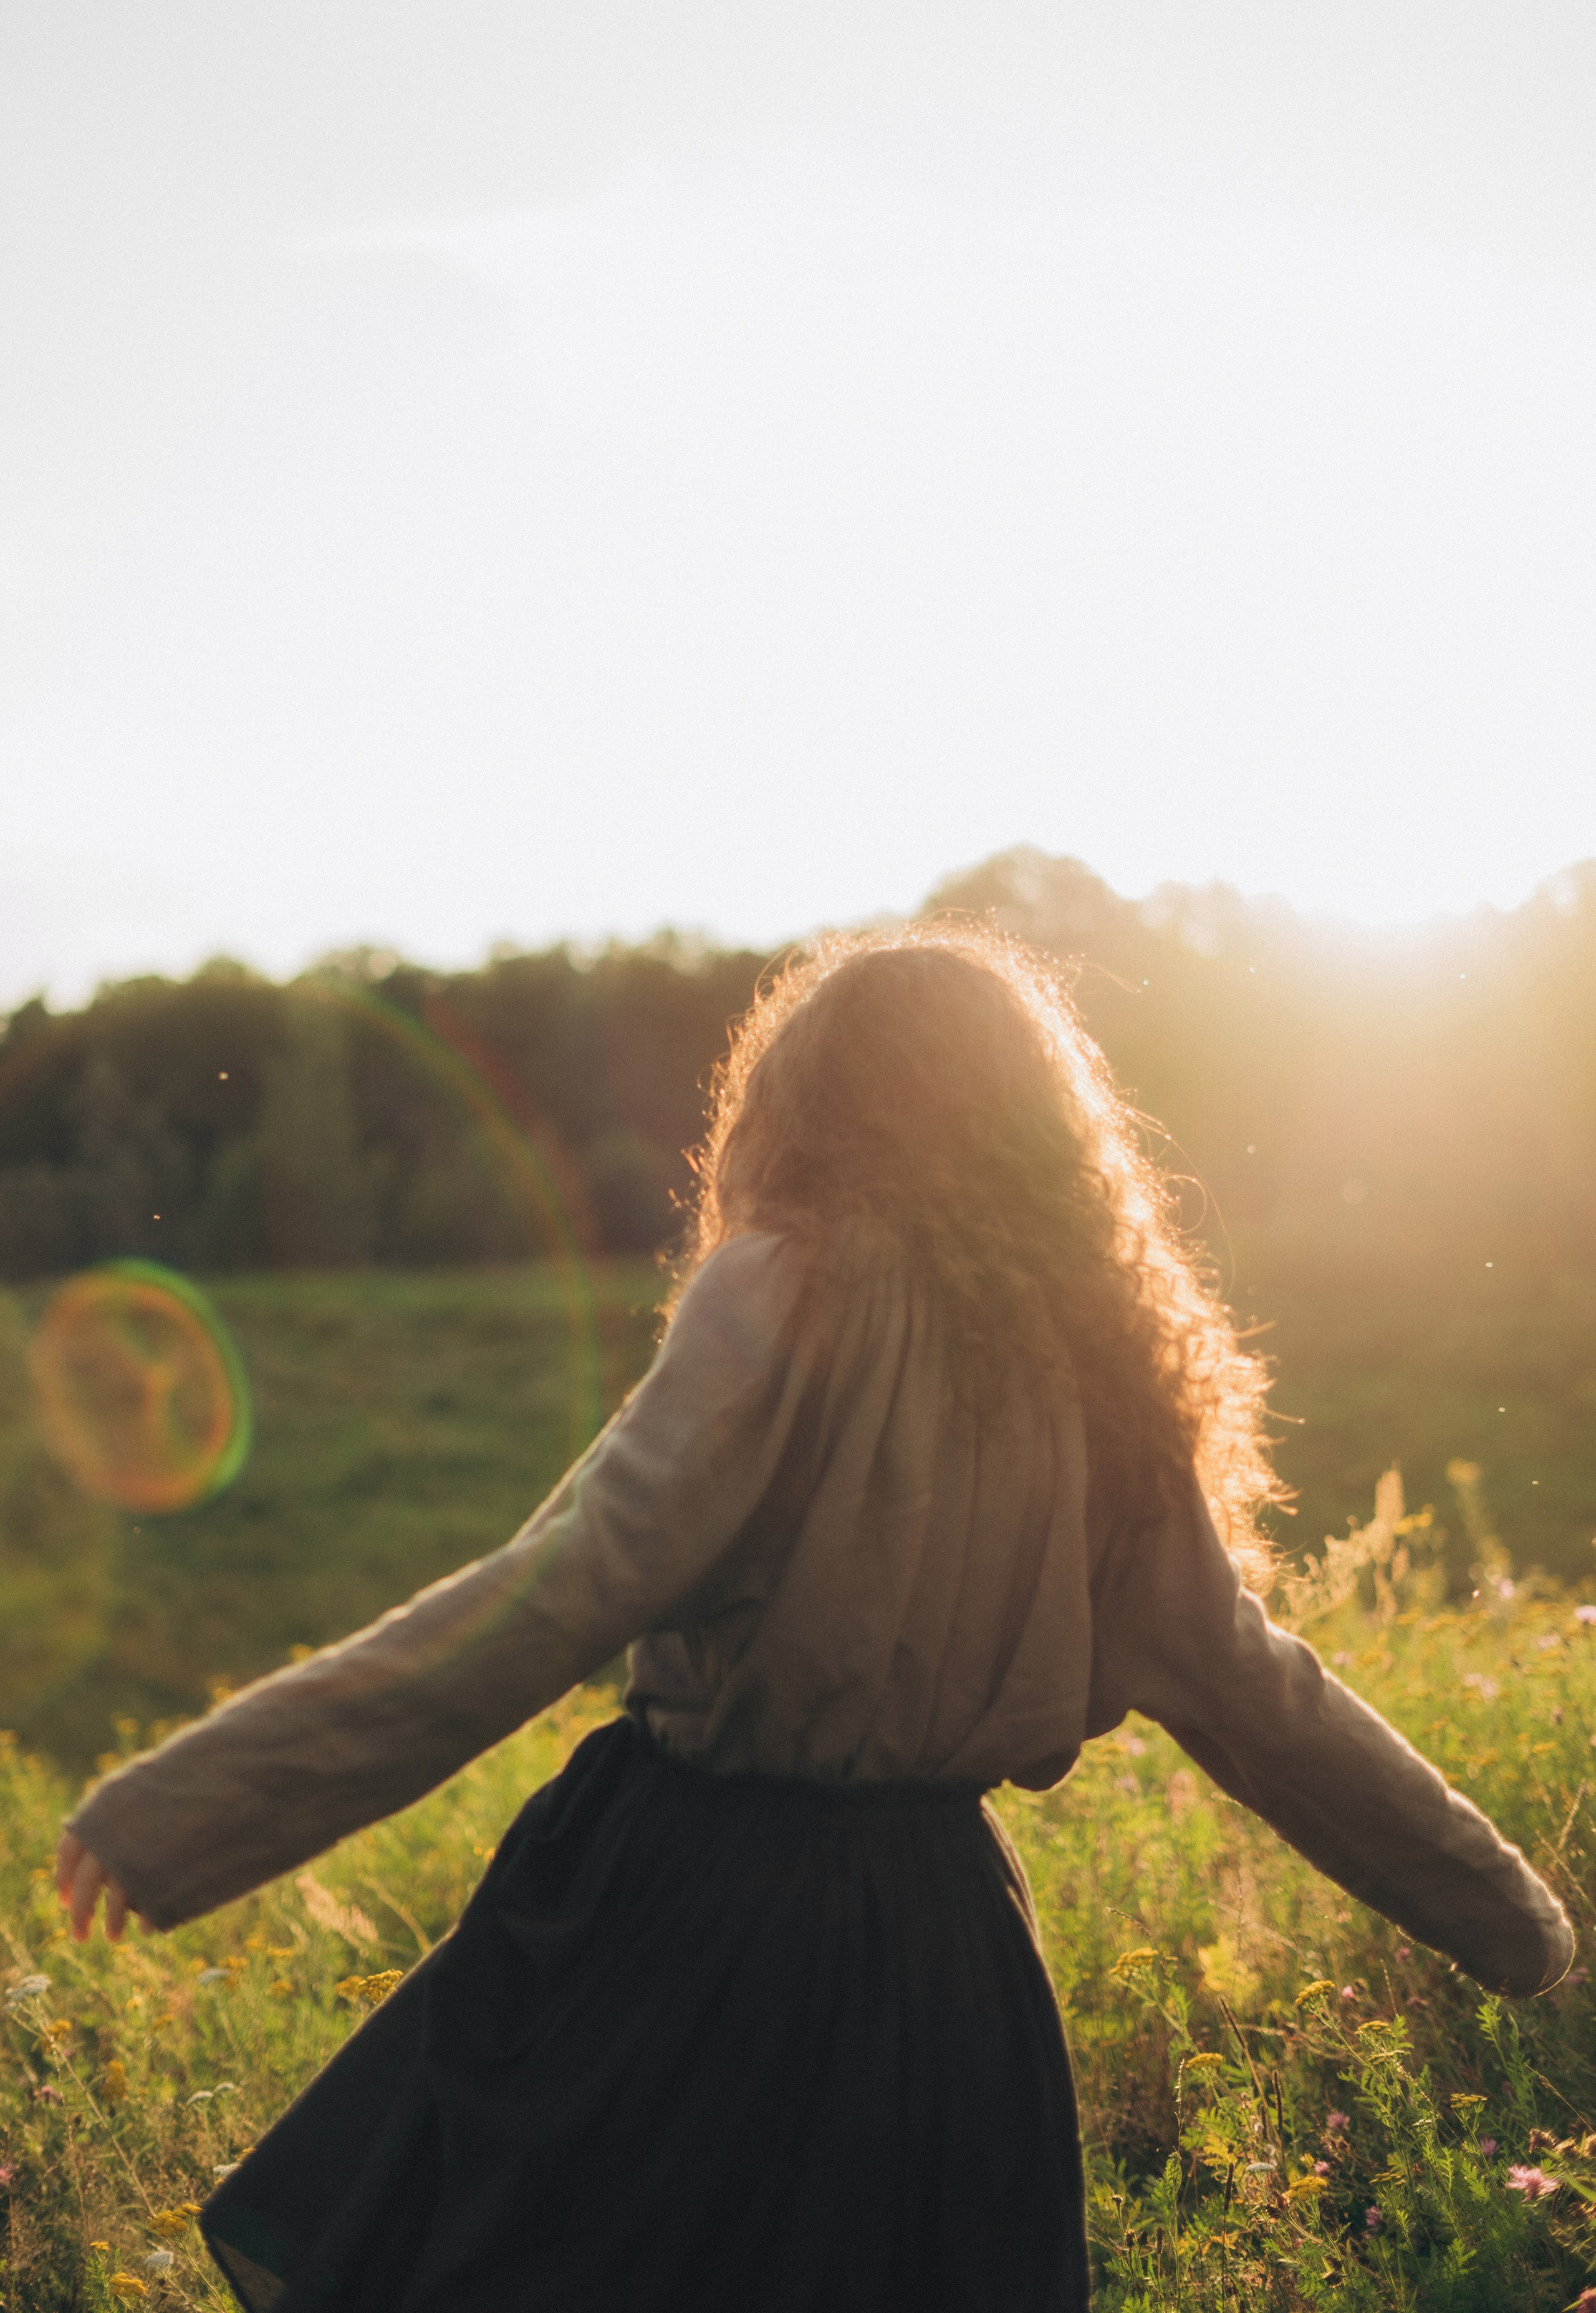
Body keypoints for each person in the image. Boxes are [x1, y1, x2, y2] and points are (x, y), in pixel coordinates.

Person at [58, 925, 1573, 2313]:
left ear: (801, 1112)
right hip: (940, 1956)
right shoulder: (1104, 1359)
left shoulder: (778, 1294)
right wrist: (1509, 1919)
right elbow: (1259, 1695)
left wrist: (196, 1803)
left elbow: (549, 1598)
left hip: (679, 1918)